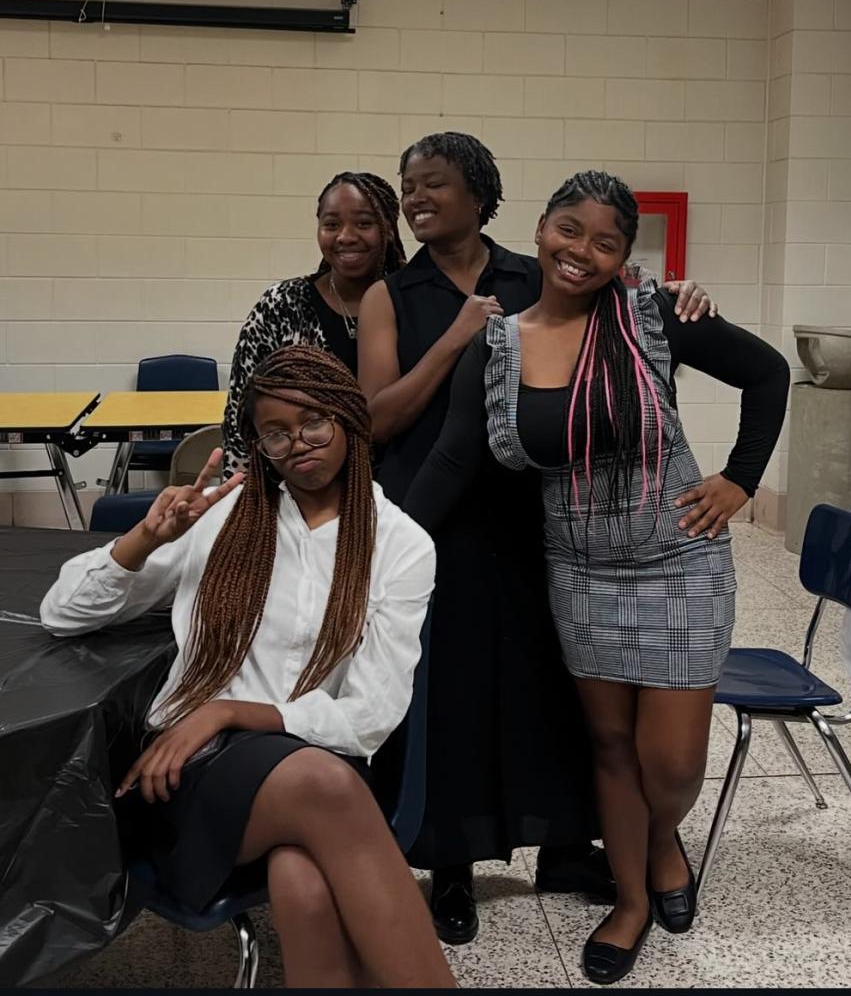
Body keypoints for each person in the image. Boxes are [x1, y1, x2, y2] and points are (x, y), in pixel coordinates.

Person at [401, 170, 790, 983]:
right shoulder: (498, 344)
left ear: (622, 257)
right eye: (568, 230)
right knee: (610, 747)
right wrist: (375, 543)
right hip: (580, 573)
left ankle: (658, 838)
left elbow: (766, 374)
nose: (581, 251)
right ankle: (631, 899)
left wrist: (739, 480)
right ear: (541, 230)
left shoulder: (652, 316)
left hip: (678, 561)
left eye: (605, 242)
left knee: (670, 766)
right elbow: (452, 459)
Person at [357, 132, 717, 946]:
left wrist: (684, 294)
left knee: (557, 694)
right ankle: (451, 863)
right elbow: (377, 419)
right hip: (438, 512)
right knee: (450, 693)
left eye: (433, 184)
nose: (416, 198)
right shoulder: (395, 293)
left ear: (479, 195)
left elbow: (636, 317)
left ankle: (568, 845)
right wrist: (456, 337)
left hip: (543, 514)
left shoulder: (535, 272)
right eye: (408, 185)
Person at [40, 346, 455, 991]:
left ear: (348, 418)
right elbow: (63, 613)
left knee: (302, 878)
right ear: (259, 444)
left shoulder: (400, 544)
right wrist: (146, 539)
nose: (298, 445)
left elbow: (370, 716)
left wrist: (229, 710)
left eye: (314, 423)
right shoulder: (222, 517)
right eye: (276, 433)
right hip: (190, 774)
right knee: (324, 787)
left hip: (309, 766)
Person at [223, 171, 406, 478]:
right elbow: (241, 413)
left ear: (388, 229)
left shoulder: (413, 303)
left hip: (400, 488)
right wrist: (244, 493)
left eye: (364, 223)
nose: (345, 236)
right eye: (331, 225)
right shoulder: (281, 305)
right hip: (300, 489)